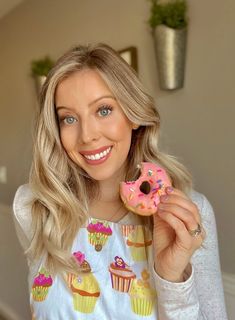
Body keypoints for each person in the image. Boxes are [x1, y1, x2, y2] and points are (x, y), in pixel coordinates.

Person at [13, 43, 228, 320]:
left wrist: (172, 278)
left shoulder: (188, 214)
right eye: (68, 118)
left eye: (103, 110)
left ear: (133, 114)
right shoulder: (36, 207)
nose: (87, 135)